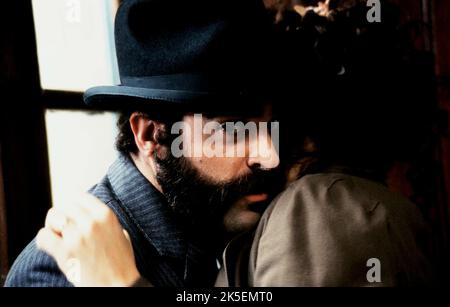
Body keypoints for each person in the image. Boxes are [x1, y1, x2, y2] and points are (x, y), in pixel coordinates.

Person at [5, 0, 283, 287]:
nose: (270, 156)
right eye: (233, 130)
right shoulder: (62, 270)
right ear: (151, 134)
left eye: (270, 126)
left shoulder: (206, 221)